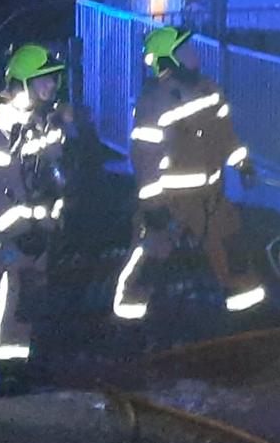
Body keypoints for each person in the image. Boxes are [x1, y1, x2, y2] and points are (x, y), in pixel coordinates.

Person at [111, 26, 264, 322]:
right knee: (151, 252)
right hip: (173, 201)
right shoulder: (153, 102)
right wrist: (154, 208)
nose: (194, 55)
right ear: (167, 60)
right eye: (185, 51)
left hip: (211, 196)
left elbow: (225, 135)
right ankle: (128, 315)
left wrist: (242, 163)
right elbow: (145, 158)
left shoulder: (209, 89)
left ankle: (245, 319)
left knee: (231, 247)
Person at [0, 43, 67, 388]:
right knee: (12, 291)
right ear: (23, 82)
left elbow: (52, 175)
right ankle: (3, 369)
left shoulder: (40, 124)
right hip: (10, 236)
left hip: (38, 231)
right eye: (44, 79)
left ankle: (23, 362)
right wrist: (20, 227)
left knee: (31, 298)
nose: (51, 86)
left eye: (53, 79)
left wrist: (51, 217)